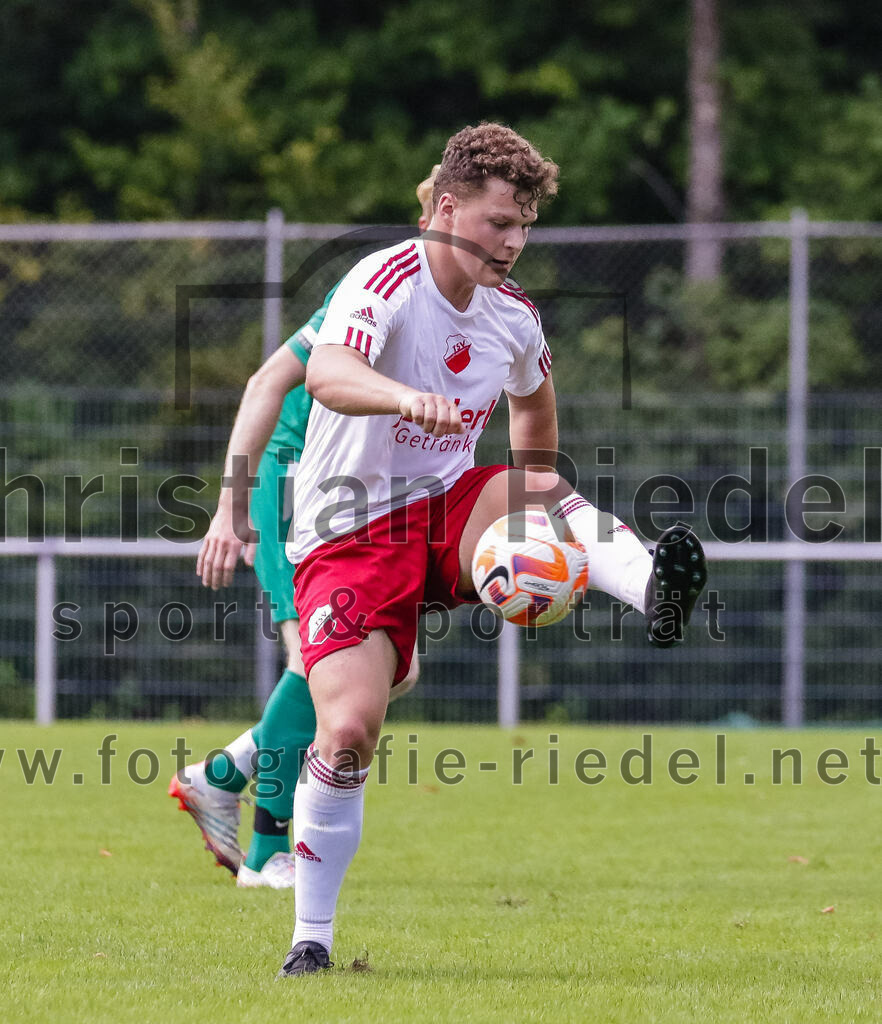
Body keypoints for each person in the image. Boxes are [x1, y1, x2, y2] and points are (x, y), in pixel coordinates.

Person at [278, 123, 708, 975]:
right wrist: (404, 397)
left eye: (524, 227)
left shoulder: (513, 316)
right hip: (348, 534)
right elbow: (325, 373)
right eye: (498, 222)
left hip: (446, 509)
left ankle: (649, 584)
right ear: (448, 208)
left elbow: (534, 409)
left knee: (537, 486)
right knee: (351, 729)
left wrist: (537, 497)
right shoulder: (386, 279)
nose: (513, 243)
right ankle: (311, 941)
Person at [167, 169, 439, 888]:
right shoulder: (377, 289)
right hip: (296, 490)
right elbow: (266, 383)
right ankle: (264, 853)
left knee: (396, 671)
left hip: (351, 505)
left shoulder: (465, 310)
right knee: (315, 668)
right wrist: (229, 507)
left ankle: (223, 774)